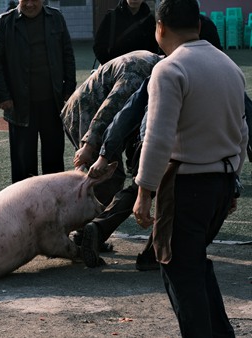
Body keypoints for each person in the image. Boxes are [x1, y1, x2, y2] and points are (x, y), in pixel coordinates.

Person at [133, 0, 247, 336]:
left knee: (179, 269)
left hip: (185, 186)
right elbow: (242, 133)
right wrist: (233, 180)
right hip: (221, 182)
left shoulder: (169, 69)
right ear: (198, 24)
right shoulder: (229, 66)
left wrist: (144, 192)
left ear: (160, 28)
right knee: (193, 262)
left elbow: (158, 137)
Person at [81, 12, 228, 270]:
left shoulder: (163, 70)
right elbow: (242, 121)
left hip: (153, 148)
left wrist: (105, 154)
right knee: (165, 198)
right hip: (182, 156)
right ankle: (153, 254)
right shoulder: (223, 74)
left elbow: (126, 116)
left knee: (145, 190)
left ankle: (100, 227)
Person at [0, 0, 76, 183]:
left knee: (54, 162)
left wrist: (69, 90)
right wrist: (3, 95)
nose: (30, 4)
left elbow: (67, 54)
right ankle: (23, 207)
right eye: (25, 0)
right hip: (19, 105)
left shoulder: (56, 18)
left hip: (52, 103)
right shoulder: (5, 22)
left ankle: (54, 205)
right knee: (23, 164)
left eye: (34, 0)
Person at [62, 50, 161, 206]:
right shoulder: (138, 73)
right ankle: (85, 221)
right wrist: (89, 146)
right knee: (105, 176)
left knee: (109, 175)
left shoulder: (153, 64)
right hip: (88, 112)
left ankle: (92, 218)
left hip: (95, 112)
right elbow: (109, 110)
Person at [93, 0, 158, 65]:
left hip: (142, 70)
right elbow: (99, 46)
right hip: (115, 69)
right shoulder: (112, 17)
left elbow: (154, 49)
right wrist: (110, 66)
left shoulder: (150, 21)